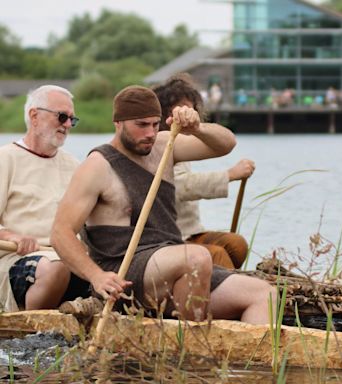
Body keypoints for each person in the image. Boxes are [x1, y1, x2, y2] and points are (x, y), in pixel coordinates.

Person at [51, 85, 276, 324]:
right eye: (141, 125)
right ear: (118, 123)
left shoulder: (164, 145)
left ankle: (250, 359)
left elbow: (226, 144)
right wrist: (96, 276)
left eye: (155, 124)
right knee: (196, 257)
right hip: (125, 275)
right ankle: (190, 348)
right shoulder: (96, 166)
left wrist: (197, 128)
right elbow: (60, 233)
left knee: (265, 294)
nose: (149, 133)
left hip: (173, 265)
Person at [0, 85, 88, 312]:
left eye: (72, 119)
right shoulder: (5, 158)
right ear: (34, 116)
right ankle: (32, 331)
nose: (68, 125)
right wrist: (12, 235)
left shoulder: (75, 166)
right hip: (18, 259)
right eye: (61, 117)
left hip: (68, 258)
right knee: (56, 268)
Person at [153, 74, 254, 270]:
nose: (188, 114)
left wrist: (198, 129)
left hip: (189, 232)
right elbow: (180, 186)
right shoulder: (157, 142)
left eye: (191, 109)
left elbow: (227, 142)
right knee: (217, 255)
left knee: (236, 245)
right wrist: (230, 175)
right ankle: (231, 293)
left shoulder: (184, 141)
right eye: (181, 109)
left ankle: (221, 286)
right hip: (166, 239)